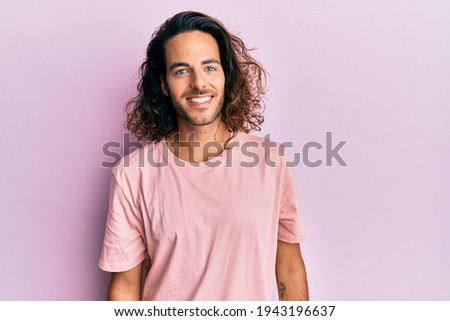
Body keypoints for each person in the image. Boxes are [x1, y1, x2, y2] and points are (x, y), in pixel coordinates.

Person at [99, 11, 309, 301]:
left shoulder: (270, 162)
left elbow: (289, 268)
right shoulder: (132, 175)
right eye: (181, 70)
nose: (198, 83)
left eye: (209, 67)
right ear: (163, 84)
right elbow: (124, 286)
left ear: (226, 75)